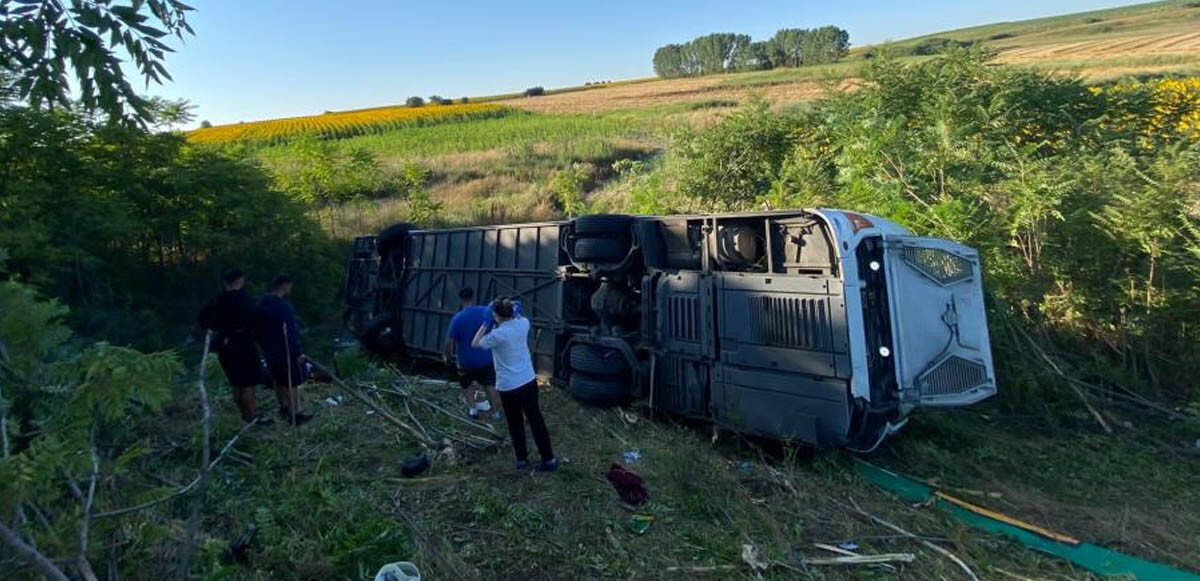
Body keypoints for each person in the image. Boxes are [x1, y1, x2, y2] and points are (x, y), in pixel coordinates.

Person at [472, 297, 558, 471]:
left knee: (515, 423)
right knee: (536, 420)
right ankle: (549, 459)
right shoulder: (523, 324)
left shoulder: (497, 335)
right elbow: (523, 317)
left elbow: (475, 343)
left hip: (508, 386)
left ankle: (522, 460)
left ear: (495, 315)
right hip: (527, 380)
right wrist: (515, 312)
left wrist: (485, 324)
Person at [197, 269, 272, 425]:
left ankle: (244, 414)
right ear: (241, 281)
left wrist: (218, 327)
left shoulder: (217, 300)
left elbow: (203, 320)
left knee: (236, 382)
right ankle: (252, 417)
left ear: (225, 282)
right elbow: (257, 320)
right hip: (242, 343)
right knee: (248, 383)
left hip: (224, 344)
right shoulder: (244, 300)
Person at [256, 275, 313, 426]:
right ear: (284, 285)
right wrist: (297, 352)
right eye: (290, 286)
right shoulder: (283, 306)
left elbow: (256, 328)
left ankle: (284, 407)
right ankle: (296, 414)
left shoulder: (262, 303)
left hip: (269, 349)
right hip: (285, 350)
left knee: (278, 379)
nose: (290, 289)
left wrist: (263, 344)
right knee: (292, 382)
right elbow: (290, 332)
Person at [444, 287, 502, 420]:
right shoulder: (486, 312)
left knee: (466, 385)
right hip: (486, 359)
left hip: (466, 361)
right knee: (490, 385)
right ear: (474, 297)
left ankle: (473, 410)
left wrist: (448, 357)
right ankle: (495, 413)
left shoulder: (457, 319)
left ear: (461, 300)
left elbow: (449, 342)